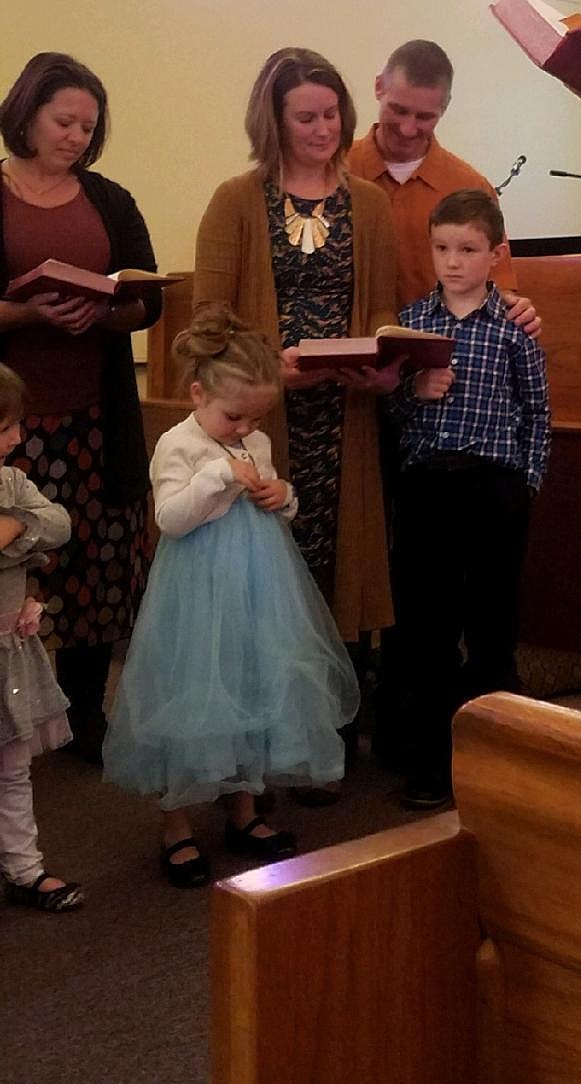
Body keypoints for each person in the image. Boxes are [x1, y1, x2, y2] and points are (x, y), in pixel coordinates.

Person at [104, 308, 362, 886]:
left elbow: (274, 502)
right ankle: (176, 825)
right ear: (198, 393)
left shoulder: (254, 440)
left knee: (251, 683)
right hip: (194, 588)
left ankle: (244, 811)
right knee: (191, 689)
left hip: (256, 586)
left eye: (256, 417)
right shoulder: (178, 444)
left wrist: (281, 494)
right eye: (233, 416)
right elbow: (171, 519)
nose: (245, 427)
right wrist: (218, 477)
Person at [194, 48, 400, 649]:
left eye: (332, 114)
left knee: (337, 557)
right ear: (274, 121)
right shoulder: (235, 199)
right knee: (267, 567)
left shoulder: (369, 202)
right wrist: (270, 369)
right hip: (263, 414)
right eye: (306, 117)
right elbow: (208, 322)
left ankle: (331, 713)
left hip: (344, 416)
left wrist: (383, 356)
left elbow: (382, 306)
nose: (323, 129)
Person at [0, 53, 162, 760]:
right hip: (12, 422)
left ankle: (86, 719)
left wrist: (97, 314)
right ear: (27, 113)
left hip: (96, 417)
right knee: (16, 564)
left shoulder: (109, 199)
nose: (75, 137)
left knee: (96, 565)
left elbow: (147, 297)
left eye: (88, 127)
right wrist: (27, 311)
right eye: (64, 121)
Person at [388, 189, 550, 810]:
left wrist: (527, 482)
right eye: (441, 248)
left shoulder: (513, 327)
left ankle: (498, 765)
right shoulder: (411, 324)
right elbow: (392, 410)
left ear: (495, 254)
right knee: (425, 628)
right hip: (428, 487)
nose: (453, 262)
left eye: (468, 249)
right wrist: (415, 392)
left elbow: (537, 411)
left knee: (492, 625)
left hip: (494, 488)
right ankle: (430, 765)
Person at [347, 38, 539, 327]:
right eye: (398, 110)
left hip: (440, 359)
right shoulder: (334, 171)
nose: (408, 128)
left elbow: (496, 288)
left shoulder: (470, 186)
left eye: (425, 117)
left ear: (445, 108)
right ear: (378, 87)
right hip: (347, 355)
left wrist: (516, 309)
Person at [0, 362, 82, 911]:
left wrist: (17, 530)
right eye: (4, 426)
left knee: (11, 769)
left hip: (7, 653)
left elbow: (58, 522)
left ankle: (24, 869)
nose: (16, 437)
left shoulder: (9, 482)